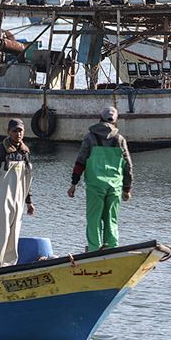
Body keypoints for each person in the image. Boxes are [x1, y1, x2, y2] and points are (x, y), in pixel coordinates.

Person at [67, 106, 133, 251]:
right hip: (114, 186)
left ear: (100, 119)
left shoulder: (90, 137)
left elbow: (81, 161)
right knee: (111, 219)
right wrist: (127, 189)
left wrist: (74, 184)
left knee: (94, 219)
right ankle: (111, 248)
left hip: (95, 185)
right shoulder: (120, 139)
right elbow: (128, 166)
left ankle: (94, 249)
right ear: (115, 121)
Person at [0, 118, 35, 268]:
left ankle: (8, 266)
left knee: (13, 236)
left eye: (20, 131)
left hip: (18, 199)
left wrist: (29, 201)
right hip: (1, 200)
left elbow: (27, 179)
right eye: (15, 130)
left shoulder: (25, 152)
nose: (18, 134)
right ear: (8, 132)